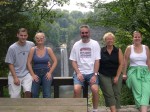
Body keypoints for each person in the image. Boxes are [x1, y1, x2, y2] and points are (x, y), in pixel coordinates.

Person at [69, 25, 100, 112]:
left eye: (86, 32)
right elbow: (73, 61)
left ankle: (95, 110)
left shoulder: (95, 44)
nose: (84, 34)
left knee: (95, 89)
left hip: (91, 73)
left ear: (89, 33)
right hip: (80, 73)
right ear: (80, 34)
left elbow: (97, 61)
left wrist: (95, 75)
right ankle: (78, 109)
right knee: (76, 89)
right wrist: (78, 73)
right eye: (83, 33)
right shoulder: (76, 45)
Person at [123, 31, 150, 112]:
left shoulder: (146, 48)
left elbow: (148, 61)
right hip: (133, 72)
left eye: (139, 37)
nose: (137, 38)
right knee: (138, 92)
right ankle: (144, 110)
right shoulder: (129, 48)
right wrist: (124, 74)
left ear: (141, 38)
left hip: (145, 71)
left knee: (147, 91)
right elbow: (125, 61)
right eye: (135, 37)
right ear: (133, 38)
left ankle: (142, 110)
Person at [5, 28, 35, 98]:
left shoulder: (31, 45)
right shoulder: (12, 48)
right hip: (14, 74)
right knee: (14, 96)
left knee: (28, 92)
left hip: (26, 73)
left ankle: (27, 108)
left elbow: (37, 56)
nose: (23, 37)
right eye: (21, 35)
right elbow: (10, 64)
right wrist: (15, 77)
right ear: (17, 35)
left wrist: (47, 63)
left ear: (27, 36)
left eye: (25, 35)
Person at [27, 32, 57, 98]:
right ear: (35, 39)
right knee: (34, 93)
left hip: (46, 74)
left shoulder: (48, 49)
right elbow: (28, 63)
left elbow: (55, 61)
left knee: (47, 94)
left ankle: (46, 108)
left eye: (41, 38)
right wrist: (32, 75)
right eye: (37, 38)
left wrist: (50, 73)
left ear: (44, 39)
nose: (39, 39)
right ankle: (35, 108)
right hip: (36, 74)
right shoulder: (33, 50)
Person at [98, 32, 123, 112]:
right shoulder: (101, 51)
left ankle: (116, 109)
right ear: (105, 40)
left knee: (117, 93)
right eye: (108, 39)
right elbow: (97, 62)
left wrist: (117, 76)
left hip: (116, 74)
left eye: (111, 39)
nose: (110, 40)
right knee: (109, 93)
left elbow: (121, 64)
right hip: (104, 75)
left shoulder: (118, 50)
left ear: (114, 40)